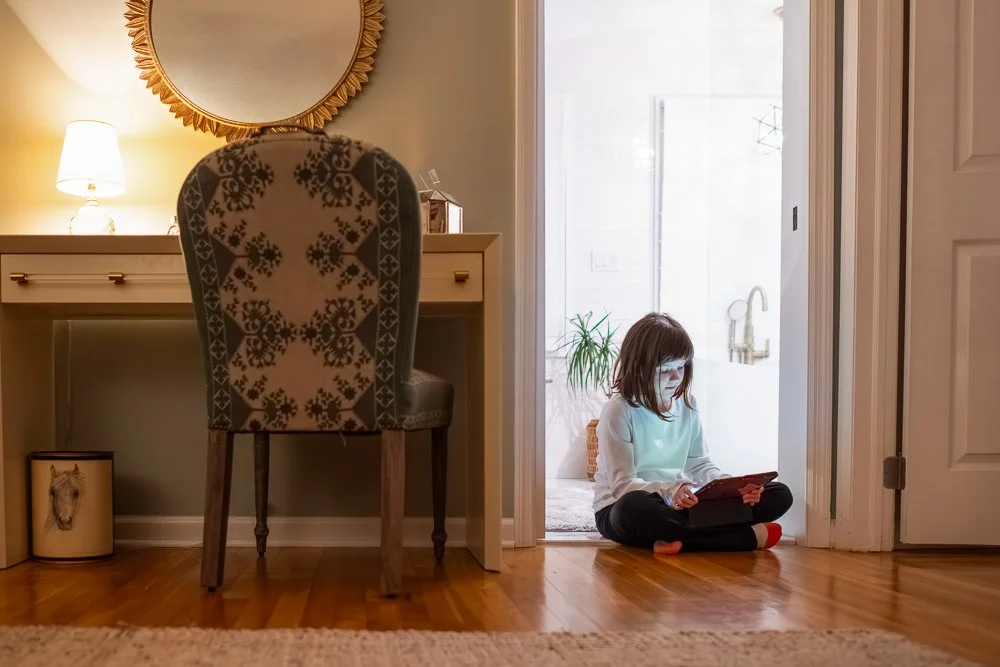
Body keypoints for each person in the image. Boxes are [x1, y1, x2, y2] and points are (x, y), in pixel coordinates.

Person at [593, 312, 793, 554]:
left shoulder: (687, 405)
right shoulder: (618, 410)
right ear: (639, 368)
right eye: (665, 369)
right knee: (633, 508)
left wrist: (731, 487)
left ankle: (673, 539)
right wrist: (671, 490)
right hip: (628, 506)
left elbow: (699, 464)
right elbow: (622, 485)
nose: (676, 377)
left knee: (779, 494)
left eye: (681, 366)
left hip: (681, 505)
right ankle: (744, 538)